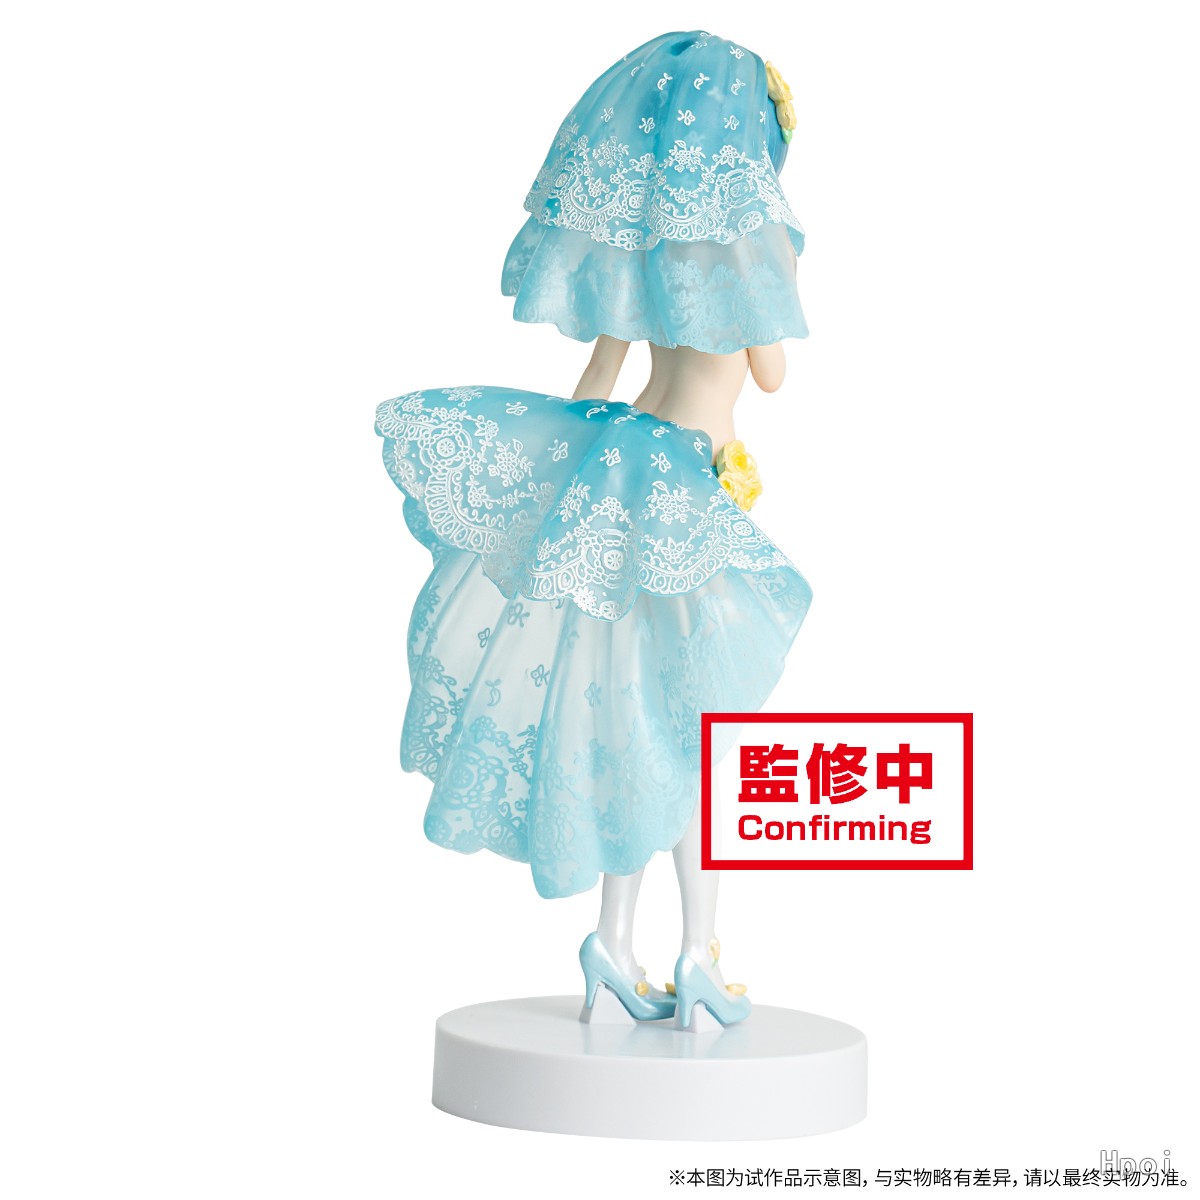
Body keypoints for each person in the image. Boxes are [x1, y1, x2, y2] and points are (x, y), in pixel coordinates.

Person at [375, 30, 812, 1030]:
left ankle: (618, 944)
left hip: (624, 477)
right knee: (693, 731)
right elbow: (773, 375)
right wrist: (775, 275)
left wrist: (574, 477)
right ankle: (694, 954)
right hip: (691, 496)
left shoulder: (643, 248)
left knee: (637, 720)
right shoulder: (757, 252)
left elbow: (598, 380)